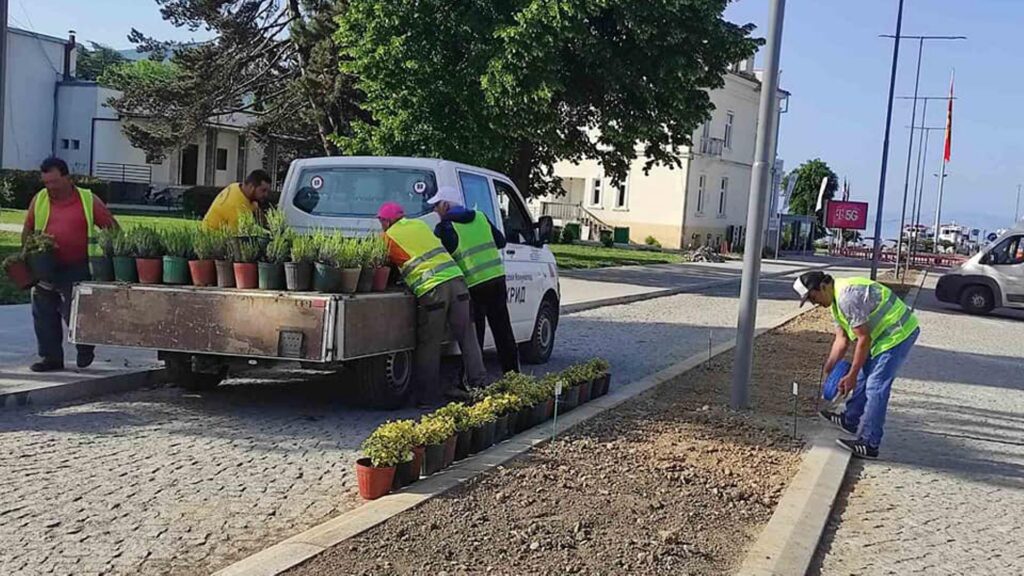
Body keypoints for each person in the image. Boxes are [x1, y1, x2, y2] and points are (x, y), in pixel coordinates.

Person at [793, 271, 920, 459]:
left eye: (813, 297)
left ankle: (870, 443)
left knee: (875, 386)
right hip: (882, 336)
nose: (815, 303)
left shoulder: (846, 297)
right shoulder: (834, 304)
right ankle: (850, 420)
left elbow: (863, 339)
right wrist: (829, 369)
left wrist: (850, 374)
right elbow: (841, 340)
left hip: (898, 333)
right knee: (862, 375)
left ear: (823, 286)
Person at [377, 202, 488, 407]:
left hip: (433, 289)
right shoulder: (419, 225)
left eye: (380, 221)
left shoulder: (387, 238)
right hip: (458, 282)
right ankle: (480, 386)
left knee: (430, 343)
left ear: (386, 220)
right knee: (467, 336)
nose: (380, 225)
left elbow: (384, 265)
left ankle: (427, 397)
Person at [22, 157, 118, 372]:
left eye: (54, 182)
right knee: (43, 313)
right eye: (46, 183)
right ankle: (50, 358)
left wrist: (112, 258)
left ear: (67, 178)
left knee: (74, 312)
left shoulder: (87, 199)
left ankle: (85, 347)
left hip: (77, 266)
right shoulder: (40, 199)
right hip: (45, 267)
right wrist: (26, 257)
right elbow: (28, 228)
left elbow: (112, 229)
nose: (50, 187)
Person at [428, 186, 520, 374]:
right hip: (496, 279)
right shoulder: (480, 216)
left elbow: (439, 257)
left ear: (445, 205)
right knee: (503, 330)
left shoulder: (445, 228)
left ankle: (473, 380)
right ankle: (513, 376)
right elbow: (501, 241)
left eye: (437, 205)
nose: (435, 210)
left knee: (474, 336)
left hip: (473, 285)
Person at [201, 169, 272, 230]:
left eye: (267, 191)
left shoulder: (237, 188)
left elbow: (258, 214)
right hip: (211, 241)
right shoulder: (235, 208)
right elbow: (236, 241)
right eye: (263, 190)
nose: (266, 194)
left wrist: (274, 229)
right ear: (251, 187)